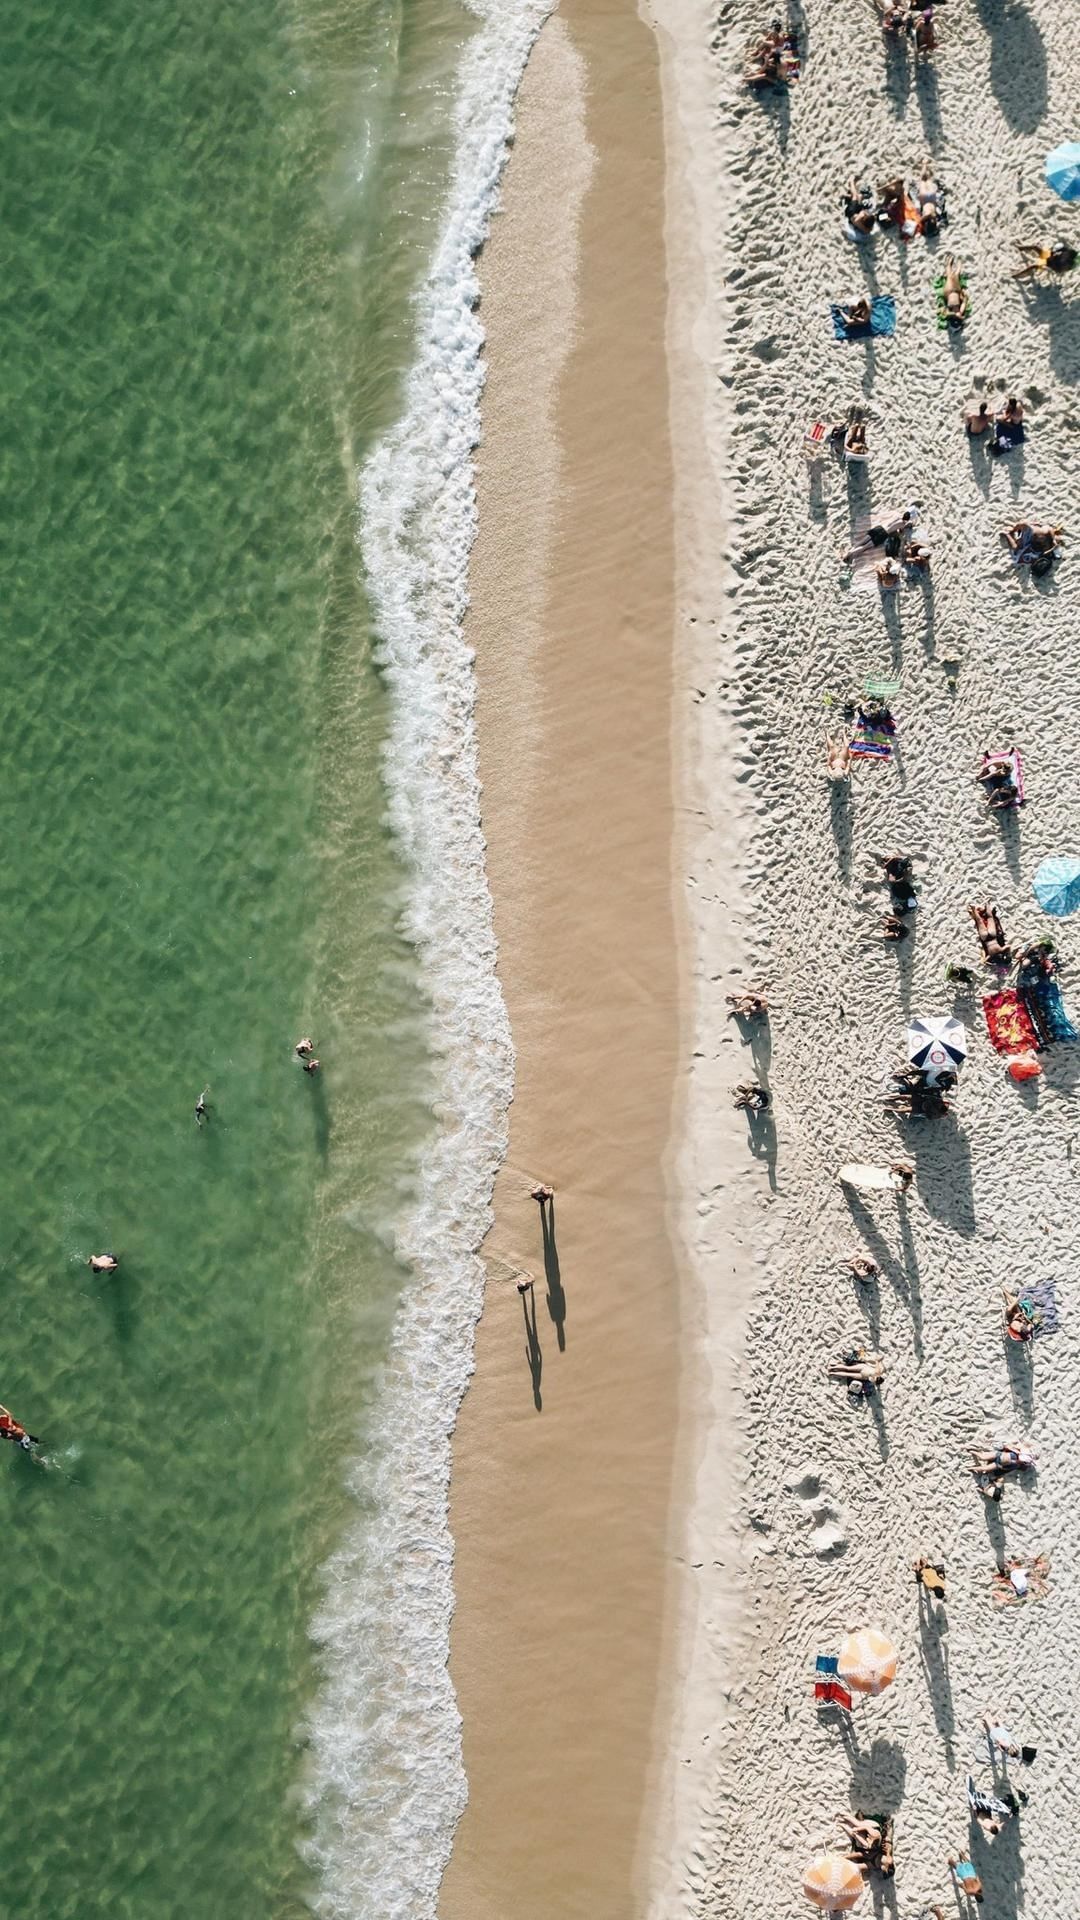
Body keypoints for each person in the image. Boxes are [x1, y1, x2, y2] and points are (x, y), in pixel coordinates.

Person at [1013, 239, 1077, 281]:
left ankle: (1017, 274)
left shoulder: (1068, 263)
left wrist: (1052, 259)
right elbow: (1061, 249)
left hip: (1052, 265)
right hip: (1051, 257)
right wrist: (1053, 253)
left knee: (1034, 266)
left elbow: (1059, 269)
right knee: (1035, 247)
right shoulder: (1069, 252)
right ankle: (1020, 248)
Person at [914, 164, 946, 234]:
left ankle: (925, 165)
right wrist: (918, 222)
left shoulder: (934, 217)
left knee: (925, 179)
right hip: (925, 198)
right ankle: (924, 165)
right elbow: (924, 217)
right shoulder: (929, 215)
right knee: (923, 179)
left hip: (931, 198)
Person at [942, 254, 970, 321]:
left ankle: (949, 264)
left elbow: (944, 312)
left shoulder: (950, 311)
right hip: (956, 291)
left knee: (950, 276)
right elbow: (964, 302)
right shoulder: (960, 310)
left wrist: (953, 314)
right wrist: (964, 297)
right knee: (955, 276)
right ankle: (959, 264)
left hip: (949, 292)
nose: (959, 315)